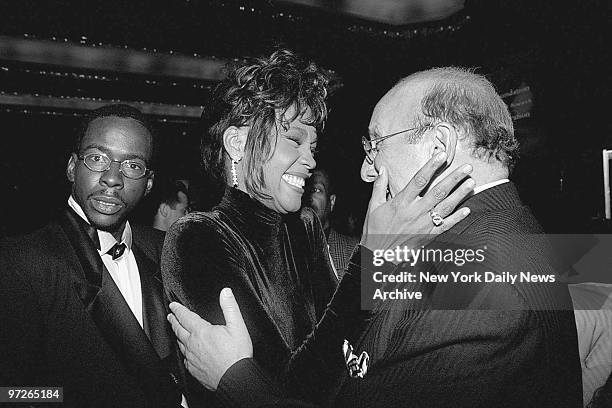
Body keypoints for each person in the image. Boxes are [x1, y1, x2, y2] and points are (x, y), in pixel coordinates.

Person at [169, 67, 583, 407]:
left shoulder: (490, 285)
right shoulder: (490, 242)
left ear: (439, 146)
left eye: (376, 146)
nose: (367, 172)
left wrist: (233, 377)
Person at [161, 51, 474, 406]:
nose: (310, 160)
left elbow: (347, 353)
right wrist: (371, 259)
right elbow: (279, 389)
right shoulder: (198, 237)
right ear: (237, 143)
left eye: (312, 146)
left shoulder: (305, 226)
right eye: (294, 140)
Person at [0, 104, 187, 407]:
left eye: (132, 165)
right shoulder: (21, 262)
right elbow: (9, 395)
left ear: (149, 183)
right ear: (72, 167)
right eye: (97, 158)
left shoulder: (169, 250)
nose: (112, 178)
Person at [303, 167, 359, 278]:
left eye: (316, 190)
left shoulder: (353, 251)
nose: (309, 196)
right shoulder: (281, 247)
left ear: (332, 201)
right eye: (305, 188)